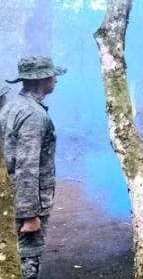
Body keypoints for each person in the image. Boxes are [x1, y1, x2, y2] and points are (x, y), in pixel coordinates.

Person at [0, 56, 65, 279]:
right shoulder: (34, 115)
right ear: (41, 80)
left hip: (9, 198)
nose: (55, 79)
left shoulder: (11, 108)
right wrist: (29, 215)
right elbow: (27, 166)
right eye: (52, 75)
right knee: (25, 263)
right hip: (23, 204)